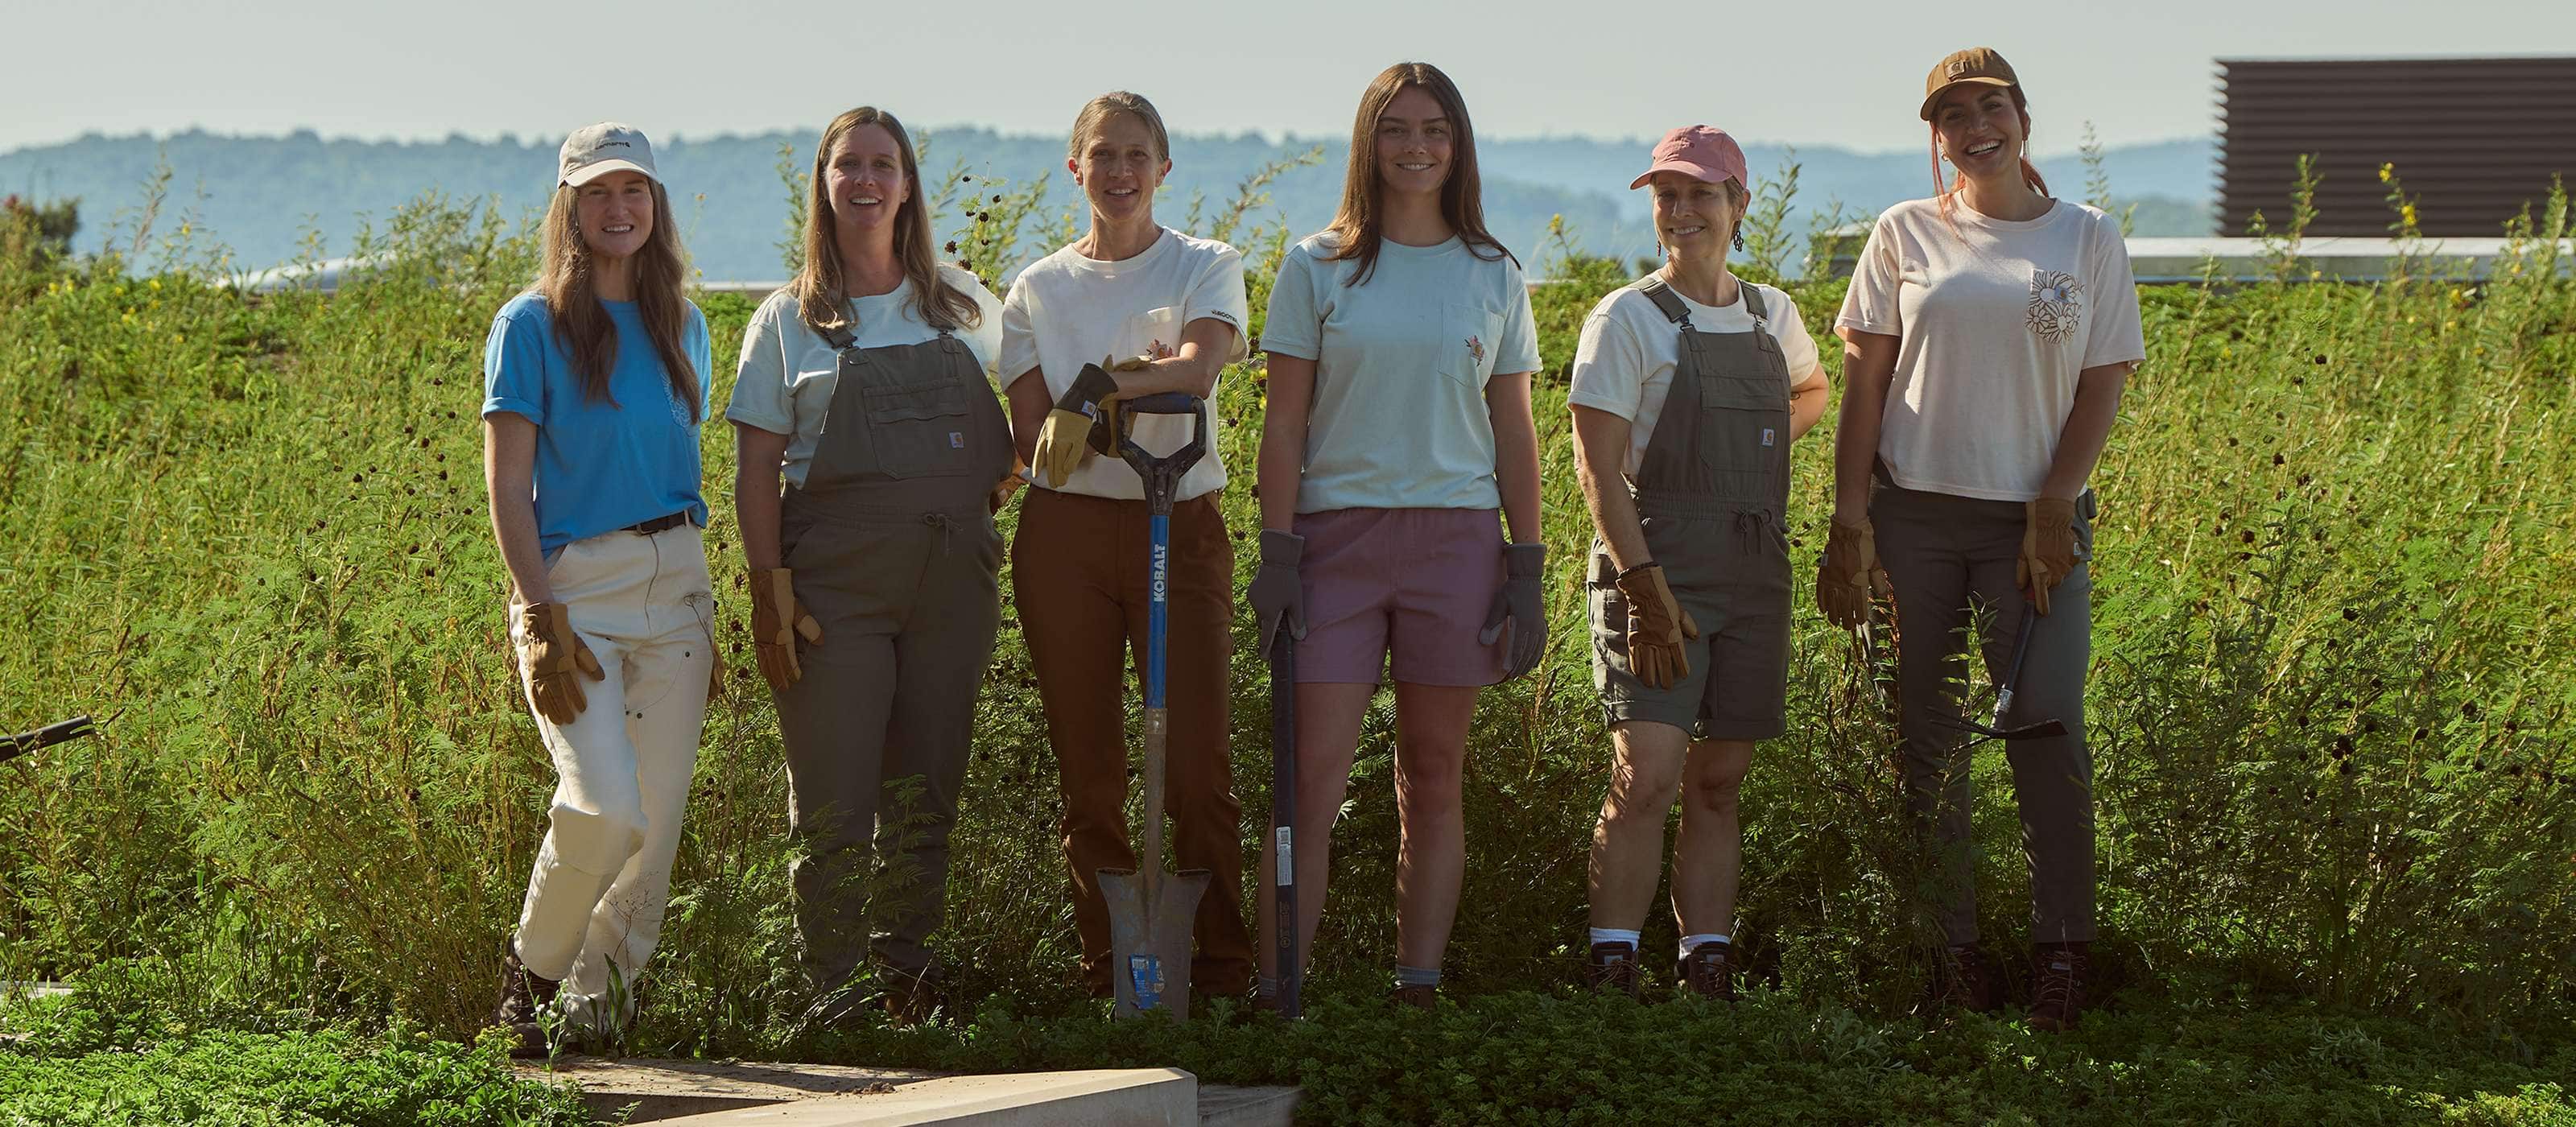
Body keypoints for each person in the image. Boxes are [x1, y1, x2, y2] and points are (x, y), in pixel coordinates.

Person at [1817, 47, 2145, 1031]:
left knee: (2045, 723)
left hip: (2034, 524)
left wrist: (2056, 498)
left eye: (1988, 106)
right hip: (1912, 511)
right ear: (1937, 134)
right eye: (1952, 115)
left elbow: (2102, 381)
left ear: (2022, 117)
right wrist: (1847, 522)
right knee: (1924, 741)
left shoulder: (2085, 238)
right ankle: (1948, 954)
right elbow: (1864, 385)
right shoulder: (1904, 232)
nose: (1973, 127)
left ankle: (2061, 952)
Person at [1252, 61, 1546, 1009]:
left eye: (1434, 130)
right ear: (1366, 143)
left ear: (1457, 146)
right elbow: (1284, 426)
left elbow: (1513, 429)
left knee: (1432, 772)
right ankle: (1278, 992)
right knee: (1309, 779)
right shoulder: (1316, 264)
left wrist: (1528, 561)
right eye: (1395, 128)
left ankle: (1416, 988)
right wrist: (1277, 548)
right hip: (1332, 545)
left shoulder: (1492, 272)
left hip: (1455, 546)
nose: (1415, 147)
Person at [725, 106, 1013, 1025]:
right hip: (832, 587)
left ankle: (908, 986)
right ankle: (838, 998)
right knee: (836, 802)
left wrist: (981, 499)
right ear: (822, 182)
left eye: (883, 164)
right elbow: (756, 466)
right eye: (847, 164)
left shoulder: (963, 301)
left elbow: (1028, 424)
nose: (865, 180)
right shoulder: (786, 320)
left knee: (927, 791)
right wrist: (770, 594)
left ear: (907, 184)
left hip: (949, 581)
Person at [1000, 91, 1254, 1004]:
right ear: (1075, 168)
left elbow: (1197, 365)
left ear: (1163, 167)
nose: (1117, 171)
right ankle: (1114, 973)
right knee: (1091, 770)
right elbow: (1037, 435)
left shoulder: (1204, 263)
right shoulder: (1036, 288)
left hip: (1177, 520)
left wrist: (1103, 387)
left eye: (1135, 154)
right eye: (1100, 154)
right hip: (1065, 535)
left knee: (1195, 765)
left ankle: (1221, 972)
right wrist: (1095, 408)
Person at [1567, 126, 1828, 1000]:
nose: (1681, 211)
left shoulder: (1771, 314)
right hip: (1657, 568)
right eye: (1665, 195)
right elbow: (1595, 468)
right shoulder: (1627, 318)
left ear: (1737, 205)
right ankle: (1612, 958)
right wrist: (1642, 589)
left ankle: (1703, 959)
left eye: (1700, 194)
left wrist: (1764, 451)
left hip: (1754, 571)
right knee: (1645, 772)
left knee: (1719, 779)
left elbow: (1813, 388)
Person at [484, 122, 716, 1055]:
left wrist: (707, 603)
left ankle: (598, 1017)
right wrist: (537, 611)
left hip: (681, 586)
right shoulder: (530, 323)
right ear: (569, 207)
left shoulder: (684, 324)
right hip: (574, 587)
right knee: (602, 805)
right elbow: (507, 482)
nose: (618, 208)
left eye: (635, 191)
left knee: (652, 830)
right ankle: (528, 983)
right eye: (597, 192)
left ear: (654, 206)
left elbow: (674, 469)